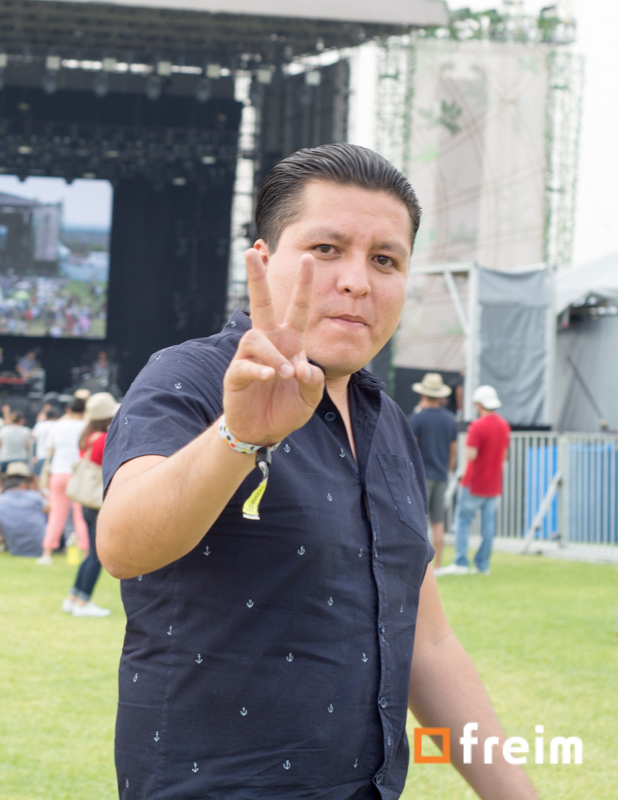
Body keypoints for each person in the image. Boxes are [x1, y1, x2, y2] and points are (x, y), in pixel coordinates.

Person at [96, 144, 536, 799]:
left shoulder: (388, 422)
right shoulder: (190, 378)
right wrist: (238, 436)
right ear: (263, 259)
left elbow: (429, 644)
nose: (357, 281)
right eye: (327, 249)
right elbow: (122, 545)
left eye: (385, 260)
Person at [441, 385, 511, 577]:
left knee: (463, 521)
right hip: (494, 484)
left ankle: (461, 562)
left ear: (479, 404)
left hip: (474, 482)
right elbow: (504, 456)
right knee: (489, 526)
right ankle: (483, 565)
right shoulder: (504, 425)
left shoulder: (478, 426)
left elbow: (471, 454)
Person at [62, 392, 118, 618]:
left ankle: (74, 597)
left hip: (87, 502)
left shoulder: (87, 437)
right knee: (97, 555)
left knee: (91, 554)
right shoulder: (103, 439)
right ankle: (83, 601)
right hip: (98, 502)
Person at [409, 372, 458, 568]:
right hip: (441, 475)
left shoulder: (417, 418)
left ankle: (423, 564)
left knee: (420, 520)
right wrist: (448, 469)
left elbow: (411, 447)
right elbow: (453, 449)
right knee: (438, 521)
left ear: (423, 394)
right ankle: (438, 564)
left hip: (421, 476)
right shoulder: (450, 419)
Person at [37, 395, 88, 565]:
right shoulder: (86, 427)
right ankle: (86, 553)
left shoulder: (57, 426)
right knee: (80, 515)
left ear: (68, 410)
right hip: (78, 473)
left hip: (58, 472)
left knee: (56, 514)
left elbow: (49, 451)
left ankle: (47, 553)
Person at [0, 461, 47, 557]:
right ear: (26, 482)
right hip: (42, 548)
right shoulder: (36, 498)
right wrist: (40, 490)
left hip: (16, 550)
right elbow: (53, 509)